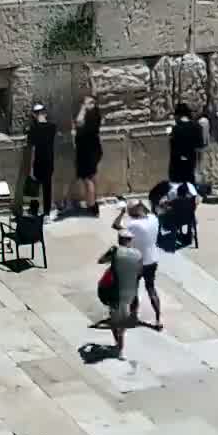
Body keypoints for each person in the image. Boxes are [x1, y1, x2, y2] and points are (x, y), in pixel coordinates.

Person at [113, 200, 163, 329]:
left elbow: (116, 225)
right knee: (151, 289)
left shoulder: (133, 225)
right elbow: (148, 211)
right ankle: (158, 320)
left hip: (138, 261)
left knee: (134, 289)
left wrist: (122, 212)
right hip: (152, 259)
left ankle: (134, 315)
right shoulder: (153, 219)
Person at [100, 228, 142, 358]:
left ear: (119, 240)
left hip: (116, 291)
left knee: (114, 318)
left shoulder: (115, 251)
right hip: (131, 291)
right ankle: (120, 342)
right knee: (123, 317)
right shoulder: (138, 254)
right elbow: (139, 272)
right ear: (130, 241)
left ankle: (119, 346)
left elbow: (101, 260)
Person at [26, 104, 57, 218]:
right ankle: (47, 213)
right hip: (49, 161)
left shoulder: (33, 129)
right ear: (45, 113)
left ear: (34, 115)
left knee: (34, 187)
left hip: (38, 161)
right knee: (47, 188)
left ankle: (33, 210)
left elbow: (32, 148)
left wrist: (31, 167)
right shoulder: (52, 127)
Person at [73, 97, 103, 215]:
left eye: (88, 102)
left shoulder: (91, 116)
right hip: (92, 150)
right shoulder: (95, 115)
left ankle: (92, 206)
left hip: (87, 151)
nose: (84, 104)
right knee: (92, 177)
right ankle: (93, 202)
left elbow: (78, 122)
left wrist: (83, 108)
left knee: (87, 179)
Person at [168, 102, 201, 188]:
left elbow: (173, 145)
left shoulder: (175, 129)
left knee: (177, 185)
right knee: (190, 183)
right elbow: (199, 144)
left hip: (177, 161)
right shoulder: (196, 127)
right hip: (191, 159)